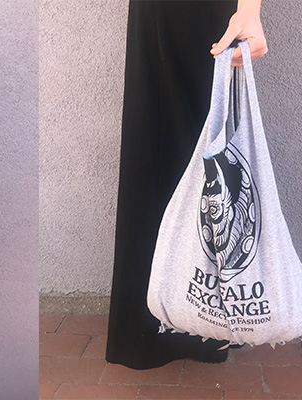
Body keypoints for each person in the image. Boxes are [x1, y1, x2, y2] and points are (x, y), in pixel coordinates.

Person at [106, 0, 268, 370]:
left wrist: (250, 10)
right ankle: (158, 325)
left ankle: (207, 321)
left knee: (212, 155)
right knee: (157, 148)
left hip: (206, 13)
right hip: (158, 12)